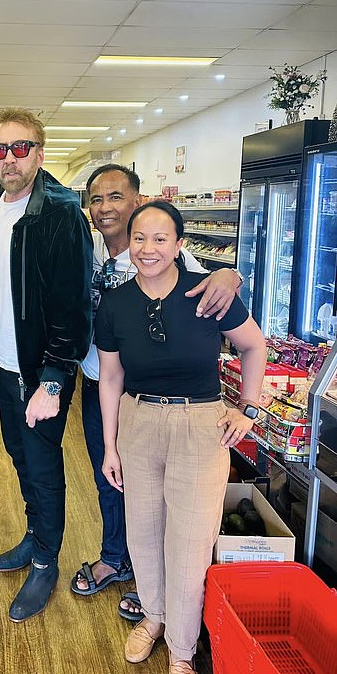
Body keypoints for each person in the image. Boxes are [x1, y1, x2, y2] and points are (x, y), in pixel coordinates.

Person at [95, 200, 266, 674]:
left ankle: (183, 649)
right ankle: (154, 615)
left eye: (160, 239)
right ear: (130, 243)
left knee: (190, 542)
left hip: (201, 424)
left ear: (179, 245)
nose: (148, 249)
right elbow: (110, 376)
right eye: (140, 238)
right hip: (138, 420)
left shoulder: (209, 294)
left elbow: (254, 346)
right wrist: (110, 445)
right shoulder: (115, 304)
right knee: (143, 531)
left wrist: (249, 408)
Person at [70, 164, 243, 625]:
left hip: (177, 399)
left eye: (116, 197)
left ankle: (170, 612)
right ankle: (120, 561)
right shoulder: (84, 247)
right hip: (104, 383)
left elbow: (219, 289)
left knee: (178, 513)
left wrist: (231, 273)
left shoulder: (168, 257)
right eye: (96, 199)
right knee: (114, 480)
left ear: (137, 200)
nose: (105, 207)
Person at [0, 107, 93, 622]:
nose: (9, 159)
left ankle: (46, 560)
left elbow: (73, 306)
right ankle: (34, 534)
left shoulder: (61, 212)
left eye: (20, 148)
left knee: (42, 466)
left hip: (44, 370)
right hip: (6, 364)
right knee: (19, 455)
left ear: (40, 153)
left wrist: (54, 379)